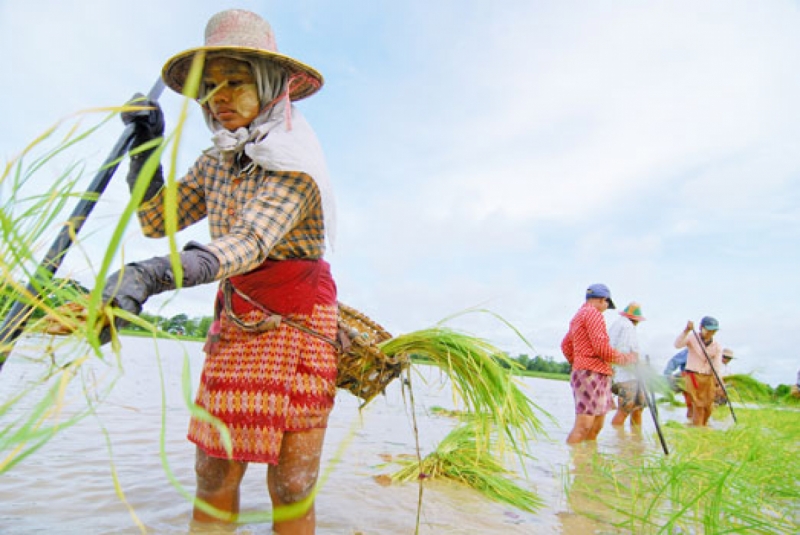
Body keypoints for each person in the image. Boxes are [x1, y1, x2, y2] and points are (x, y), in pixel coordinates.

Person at [105, 9, 337, 533]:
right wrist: (144, 151)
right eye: (211, 86)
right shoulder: (217, 161)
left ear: (272, 85)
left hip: (298, 329)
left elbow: (250, 243)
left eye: (236, 81)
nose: (219, 96)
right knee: (213, 473)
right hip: (237, 323)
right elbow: (153, 218)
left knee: (292, 484)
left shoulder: (297, 161)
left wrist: (151, 276)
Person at [561, 284, 638, 444]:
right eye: (606, 305)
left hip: (591, 372)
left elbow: (565, 345)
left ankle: (586, 463)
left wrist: (577, 362)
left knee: (596, 424)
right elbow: (602, 349)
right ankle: (573, 463)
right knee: (585, 425)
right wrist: (627, 359)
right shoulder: (593, 314)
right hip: (591, 373)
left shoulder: (578, 316)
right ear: (603, 300)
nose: (605, 309)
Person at [674, 316, 724, 427]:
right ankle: (698, 428)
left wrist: (719, 383)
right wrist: (686, 330)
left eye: (713, 331)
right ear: (701, 328)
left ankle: (703, 426)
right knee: (698, 405)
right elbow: (677, 344)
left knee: (708, 407)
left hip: (708, 378)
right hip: (693, 376)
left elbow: (717, 366)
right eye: (708, 330)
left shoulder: (717, 346)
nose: (710, 333)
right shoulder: (692, 338)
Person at [609, 302, 646, 428]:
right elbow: (624, 351)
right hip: (626, 376)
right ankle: (617, 439)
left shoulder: (620, 324)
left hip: (631, 375)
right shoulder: (626, 326)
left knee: (638, 407)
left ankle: (635, 439)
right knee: (625, 409)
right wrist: (638, 361)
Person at [662, 348, 694, 418]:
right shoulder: (689, 351)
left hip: (704, 379)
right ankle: (692, 423)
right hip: (688, 379)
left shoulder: (711, 349)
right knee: (692, 405)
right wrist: (668, 373)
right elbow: (674, 361)